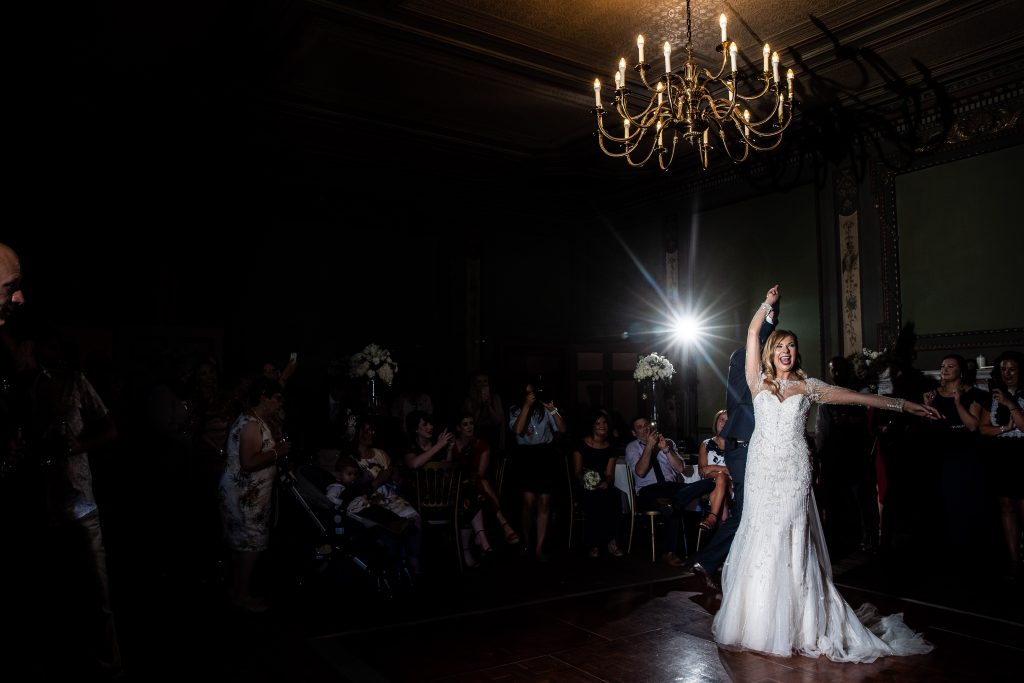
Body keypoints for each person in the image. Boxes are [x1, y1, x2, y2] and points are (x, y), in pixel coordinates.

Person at [712, 284, 940, 661]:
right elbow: (753, 332)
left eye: (791, 346)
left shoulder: (810, 387)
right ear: (771, 352)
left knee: (792, 536)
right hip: (761, 470)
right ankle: (759, 621)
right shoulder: (757, 382)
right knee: (762, 534)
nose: (786, 351)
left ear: (796, 352)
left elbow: (860, 398)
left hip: (794, 470)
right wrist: (768, 304)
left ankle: (802, 623)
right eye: (780, 346)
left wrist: (904, 405)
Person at [689, 296, 777, 589]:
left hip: (755, 449)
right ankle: (709, 561)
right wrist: (768, 313)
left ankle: (733, 564)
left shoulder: (765, 376)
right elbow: (756, 338)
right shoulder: (742, 359)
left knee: (753, 510)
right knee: (746, 511)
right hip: (742, 448)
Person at [218, 377, 292, 613]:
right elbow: (248, 462)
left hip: (249, 494)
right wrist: (277, 452)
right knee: (249, 544)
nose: (280, 403)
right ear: (263, 398)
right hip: (245, 496)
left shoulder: (258, 420)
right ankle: (242, 595)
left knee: (242, 544)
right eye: (277, 398)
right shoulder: (251, 424)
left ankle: (238, 591)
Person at [625, 417, 715, 567]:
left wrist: (666, 450)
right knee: (674, 501)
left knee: (710, 483)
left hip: (671, 487)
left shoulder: (667, 442)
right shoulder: (632, 447)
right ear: (634, 433)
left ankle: (669, 549)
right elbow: (640, 472)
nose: (645, 428)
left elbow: (680, 469)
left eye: (646, 425)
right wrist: (649, 447)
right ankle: (669, 552)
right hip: (648, 491)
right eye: (640, 427)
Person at [509, 378, 567, 561]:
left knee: (544, 501)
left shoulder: (544, 408)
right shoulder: (515, 409)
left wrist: (553, 410)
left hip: (545, 455)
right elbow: (518, 430)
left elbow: (562, 429)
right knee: (528, 502)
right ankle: (527, 541)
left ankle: (539, 547)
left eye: (532, 392)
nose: (531, 395)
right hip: (526, 456)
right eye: (527, 393)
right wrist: (526, 406)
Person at [978, 351, 1024, 577]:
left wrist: (1010, 403)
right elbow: (983, 428)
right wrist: (1003, 429)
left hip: (1023, 454)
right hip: (1003, 456)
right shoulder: (993, 396)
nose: (1007, 374)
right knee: (1007, 506)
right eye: (1003, 369)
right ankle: (1014, 559)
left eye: (1012, 369)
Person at [571, 409, 624, 558]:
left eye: (605, 422)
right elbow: (577, 472)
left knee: (614, 495)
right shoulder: (581, 445)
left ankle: (612, 542)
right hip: (584, 485)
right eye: (598, 423)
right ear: (592, 426)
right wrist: (587, 481)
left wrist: (606, 482)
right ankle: (593, 544)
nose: (602, 425)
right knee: (593, 497)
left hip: (603, 485)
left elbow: (609, 474)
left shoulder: (611, 447)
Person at [696, 409, 731, 532]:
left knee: (721, 479)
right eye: (722, 419)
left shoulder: (736, 445)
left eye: (728, 421)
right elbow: (702, 472)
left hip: (732, 487)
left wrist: (713, 468)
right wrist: (723, 473)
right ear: (716, 422)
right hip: (710, 487)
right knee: (721, 479)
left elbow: (737, 472)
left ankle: (712, 517)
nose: (724, 423)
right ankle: (721, 522)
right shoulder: (706, 444)